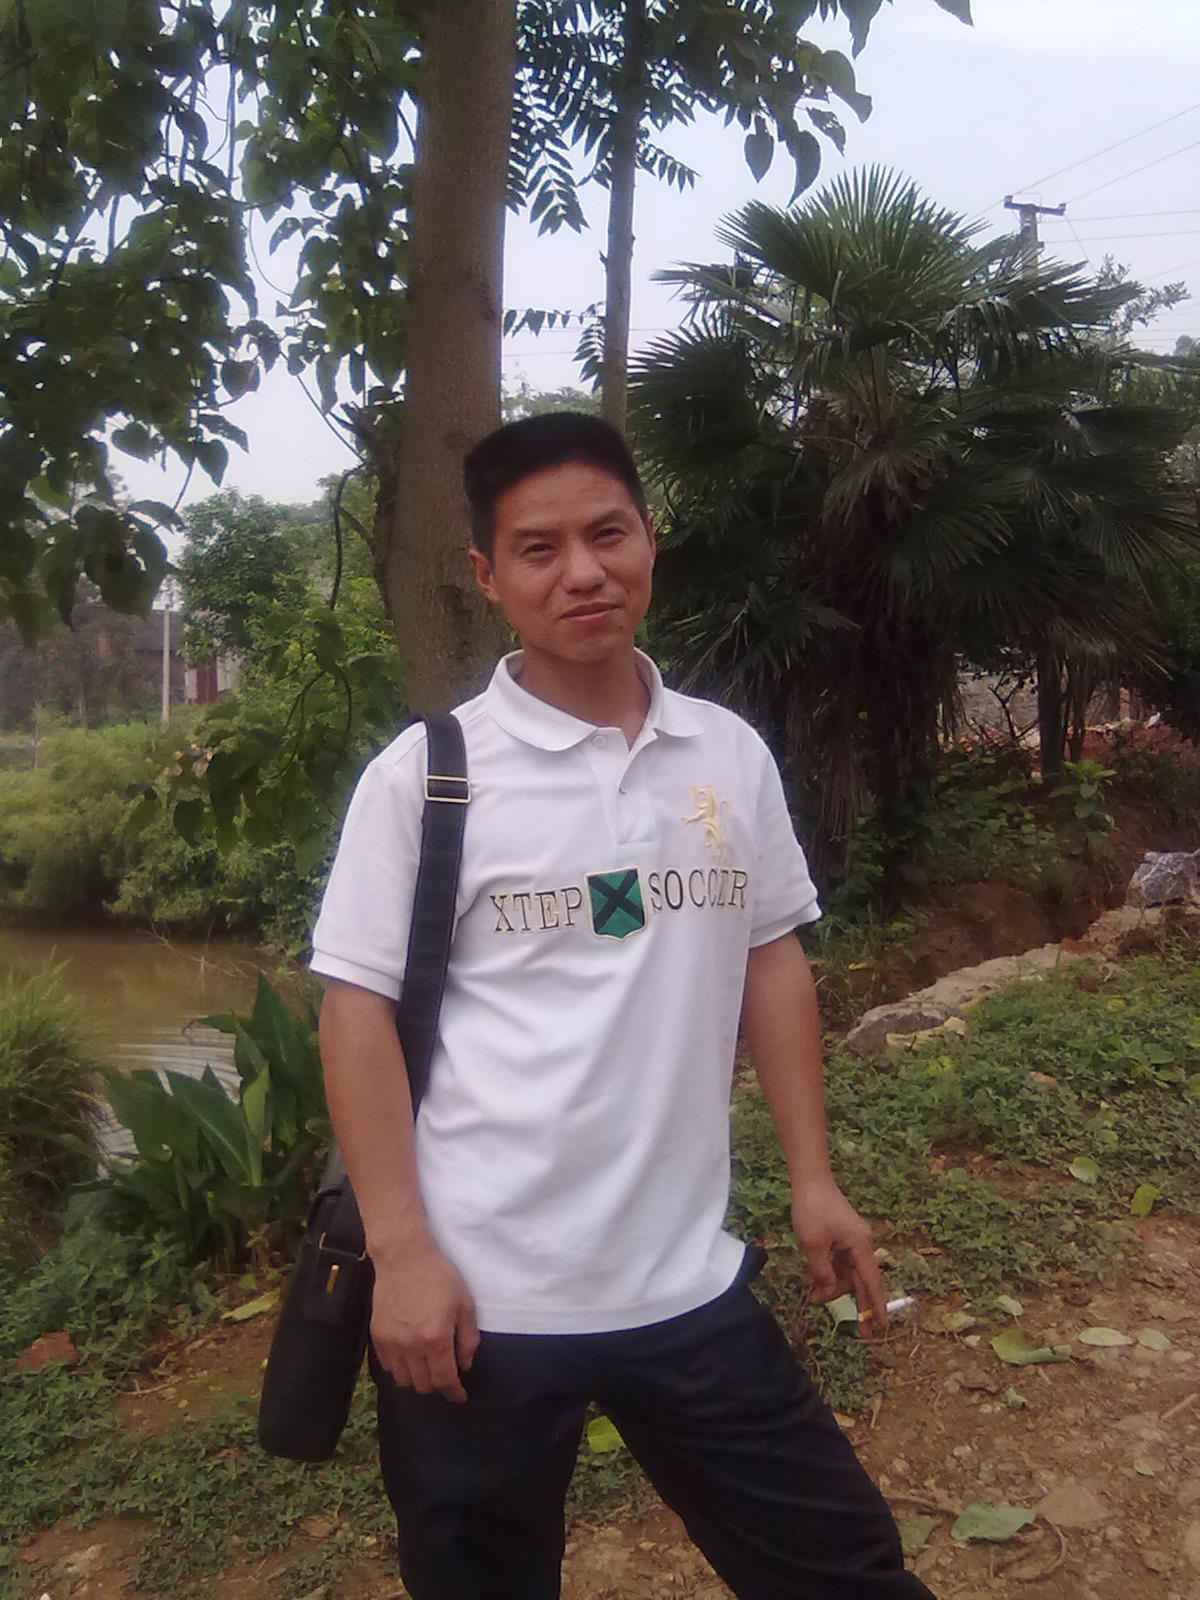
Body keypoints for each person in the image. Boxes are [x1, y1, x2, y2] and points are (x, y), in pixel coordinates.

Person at [311, 413, 935, 1600]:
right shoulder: (428, 777)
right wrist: (402, 1253)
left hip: (686, 1279)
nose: (583, 572)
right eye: (539, 548)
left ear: (650, 538)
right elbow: (355, 1013)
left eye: (608, 534)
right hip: (480, 1304)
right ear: (488, 576)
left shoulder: (727, 755)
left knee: (846, 1571)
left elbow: (771, 959)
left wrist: (813, 1180)